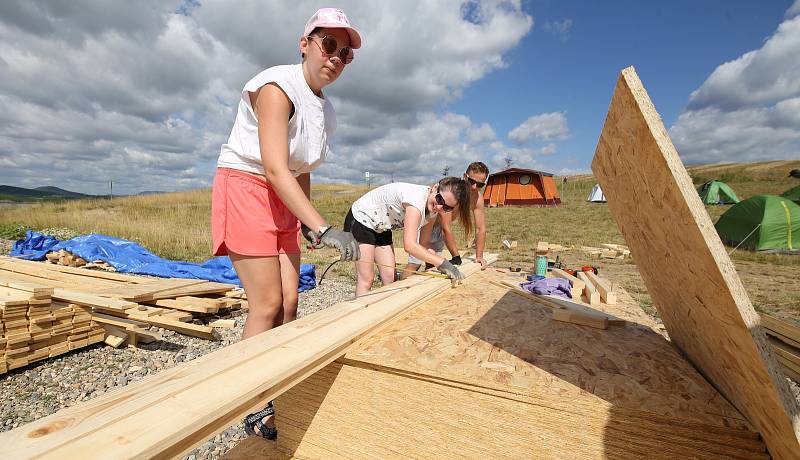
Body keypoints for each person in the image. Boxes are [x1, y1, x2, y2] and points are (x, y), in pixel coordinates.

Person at [210, 7, 362, 441]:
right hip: (248, 187)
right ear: (305, 44)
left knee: (292, 301)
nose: (335, 56)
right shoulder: (277, 86)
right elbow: (276, 168)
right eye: (328, 44)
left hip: (283, 197)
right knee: (267, 304)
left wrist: (306, 221)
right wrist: (324, 227)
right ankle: (252, 401)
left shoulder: (324, 109)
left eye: (346, 53)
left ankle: (275, 377)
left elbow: (302, 168)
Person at [345, 177, 472, 296]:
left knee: (390, 279)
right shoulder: (416, 201)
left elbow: (423, 244)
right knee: (367, 279)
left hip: (381, 226)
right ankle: (360, 316)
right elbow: (410, 245)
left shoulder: (433, 212)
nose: (439, 207)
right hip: (361, 219)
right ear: (435, 187)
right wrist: (442, 263)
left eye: (447, 207)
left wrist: (437, 261)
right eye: (440, 200)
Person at [402, 162, 489, 277]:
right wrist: (456, 256)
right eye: (472, 182)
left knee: (432, 266)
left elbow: (480, 229)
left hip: (437, 230)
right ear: (465, 176)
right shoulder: (454, 193)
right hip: (427, 226)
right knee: (415, 264)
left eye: (480, 185)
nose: (474, 187)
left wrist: (479, 257)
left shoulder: (478, 199)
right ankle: (400, 287)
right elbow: (446, 228)